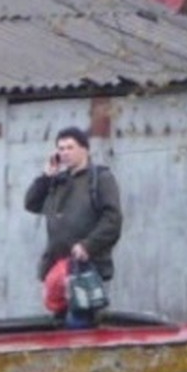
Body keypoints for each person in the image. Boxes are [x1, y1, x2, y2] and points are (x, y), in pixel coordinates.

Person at [23, 127, 122, 328]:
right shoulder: (57, 182)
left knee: (80, 328)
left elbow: (113, 219)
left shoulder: (100, 179)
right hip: (57, 270)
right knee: (59, 328)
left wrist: (88, 245)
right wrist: (46, 176)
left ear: (85, 149)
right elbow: (31, 203)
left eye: (70, 147)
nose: (65, 152)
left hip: (85, 271)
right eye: (60, 148)